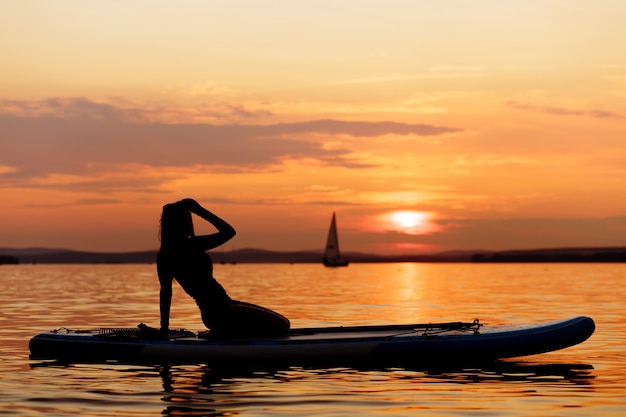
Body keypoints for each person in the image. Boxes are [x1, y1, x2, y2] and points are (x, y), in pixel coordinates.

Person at [157, 198, 290, 338]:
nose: (188, 226)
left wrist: (198, 210)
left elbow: (229, 232)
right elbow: (166, 293)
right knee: (282, 325)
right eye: (184, 222)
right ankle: (226, 333)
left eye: (187, 221)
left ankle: (226, 332)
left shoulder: (185, 247)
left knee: (284, 322)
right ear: (175, 225)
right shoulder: (181, 250)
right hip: (218, 313)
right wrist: (201, 211)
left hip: (226, 305)